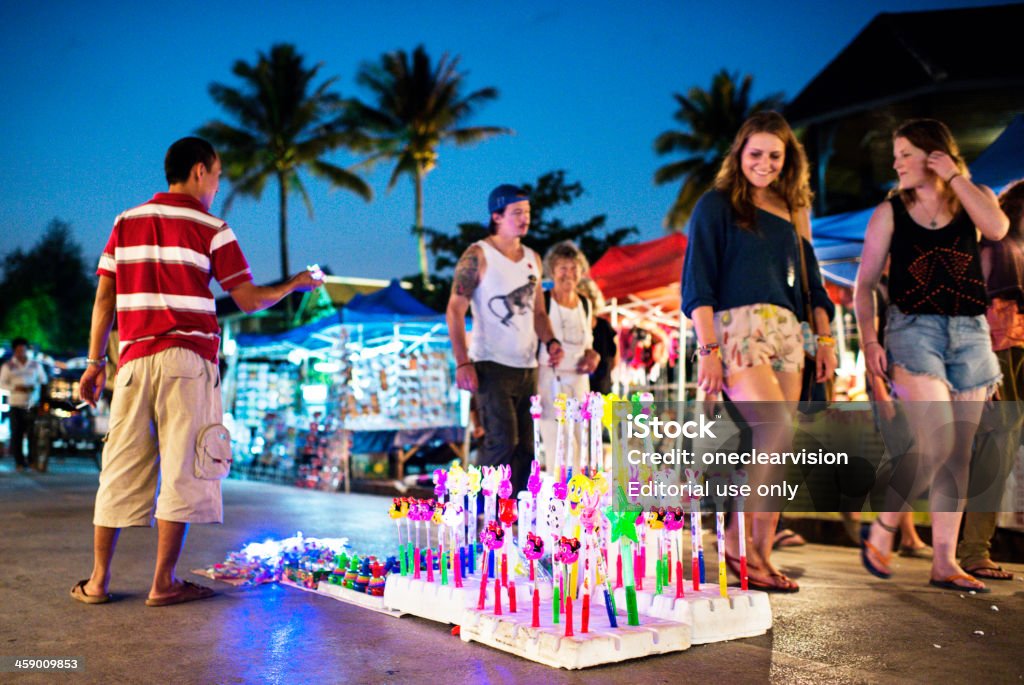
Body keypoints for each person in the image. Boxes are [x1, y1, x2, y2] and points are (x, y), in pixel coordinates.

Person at [72, 137, 324, 606]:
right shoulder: (212, 227)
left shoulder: (125, 222)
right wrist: (294, 284)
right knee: (185, 470)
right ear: (198, 171)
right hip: (187, 361)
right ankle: (163, 583)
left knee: (120, 467)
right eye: (218, 174)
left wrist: (94, 363)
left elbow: (104, 299)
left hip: (131, 363)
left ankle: (98, 581)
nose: (217, 183)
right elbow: (247, 299)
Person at [681, 111, 837, 592]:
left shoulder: (794, 212)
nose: (765, 163)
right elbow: (698, 284)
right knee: (776, 428)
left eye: (775, 155)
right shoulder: (716, 205)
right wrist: (707, 348)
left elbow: (814, 287)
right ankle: (736, 544)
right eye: (756, 154)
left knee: (778, 444)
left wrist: (826, 339)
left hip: (789, 332)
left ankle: (760, 555)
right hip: (736, 327)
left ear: (787, 159)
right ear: (738, 154)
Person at [854, 119, 1008, 593]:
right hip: (912, 329)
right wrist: (870, 342)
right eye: (896, 154)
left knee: (959, 450)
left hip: (970, 330)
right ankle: (884, 522)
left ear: (933, 155)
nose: (896, 163)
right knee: (936, 439)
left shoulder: (970, 195)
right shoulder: (890, 212)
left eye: (905, 153)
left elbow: (997, 227)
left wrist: (956, 176)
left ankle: (944, 562)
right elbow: (863, 285)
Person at [446, 184, 563, 495]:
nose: (524, 219)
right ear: (497, 216)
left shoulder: (533, 259)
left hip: (528, 364)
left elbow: (539, 312)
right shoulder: (477, 255)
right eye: (516, 213)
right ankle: (489, 517)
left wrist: (551, 342)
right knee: (502, 442)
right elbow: (454, 310)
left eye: (527, 212)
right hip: (490, 363)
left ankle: (519, 518)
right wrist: (463, 362)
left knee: (527, 446)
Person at [957, 179, 1024, 582]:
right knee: (994, 448)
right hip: (997, 352)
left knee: (999, 449)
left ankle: (975, 548)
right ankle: (974, 550)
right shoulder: (992, 246)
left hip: (1014, 349)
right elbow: (971, 305)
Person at [536, 241, 601, 473]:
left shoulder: (585, 303)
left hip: (580, 381)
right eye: (563, 268)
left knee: (581, 441)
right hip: (550, 380)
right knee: (557, 442)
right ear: (552, 271)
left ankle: (580, 497)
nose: (569, 274)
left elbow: (589, 344)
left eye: (574, 268)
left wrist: (593, 357)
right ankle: (560, 496)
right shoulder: (543, 300)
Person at [0, 337, 48, 471]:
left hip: (32, 404)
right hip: (15, 404)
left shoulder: (35, 365)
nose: (21, 352)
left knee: (32, 433)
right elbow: (2, 384)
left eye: (23, 349)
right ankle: (19, 462)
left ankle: (32, 461)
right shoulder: (8, 366)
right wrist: (15, 388)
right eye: (18, 349)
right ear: (14, 350)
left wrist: (37, 390)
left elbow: (43, 380)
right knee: (17, 434)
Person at [578, 277, 617, 395]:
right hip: (578, 390)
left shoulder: (604, 326)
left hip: (602, 391)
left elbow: (614, 359)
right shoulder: (572, 327)